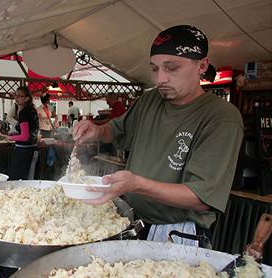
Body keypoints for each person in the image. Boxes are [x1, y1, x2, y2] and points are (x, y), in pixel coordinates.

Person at [73, 25, 244, 247]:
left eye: (171, 68)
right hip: (132, 221)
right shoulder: (150, 100)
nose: (160, 79)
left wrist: (135, 184)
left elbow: (200, 198)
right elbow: (114, 131)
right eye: (155, 69)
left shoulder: (221, 117)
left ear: (202, 65)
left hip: (177, 233)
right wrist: (97, 130)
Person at [3, 86, 39, 180]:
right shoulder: (32, 110)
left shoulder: (24, 112)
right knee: (28, 177)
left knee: (19, 179)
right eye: (16, 95)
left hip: (24, 151)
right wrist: (15, 135)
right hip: (32, 147)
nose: (16, 98)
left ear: (27, 98)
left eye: (20, 96)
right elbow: (29, 131)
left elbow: (24, 136)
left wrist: (9, 138)